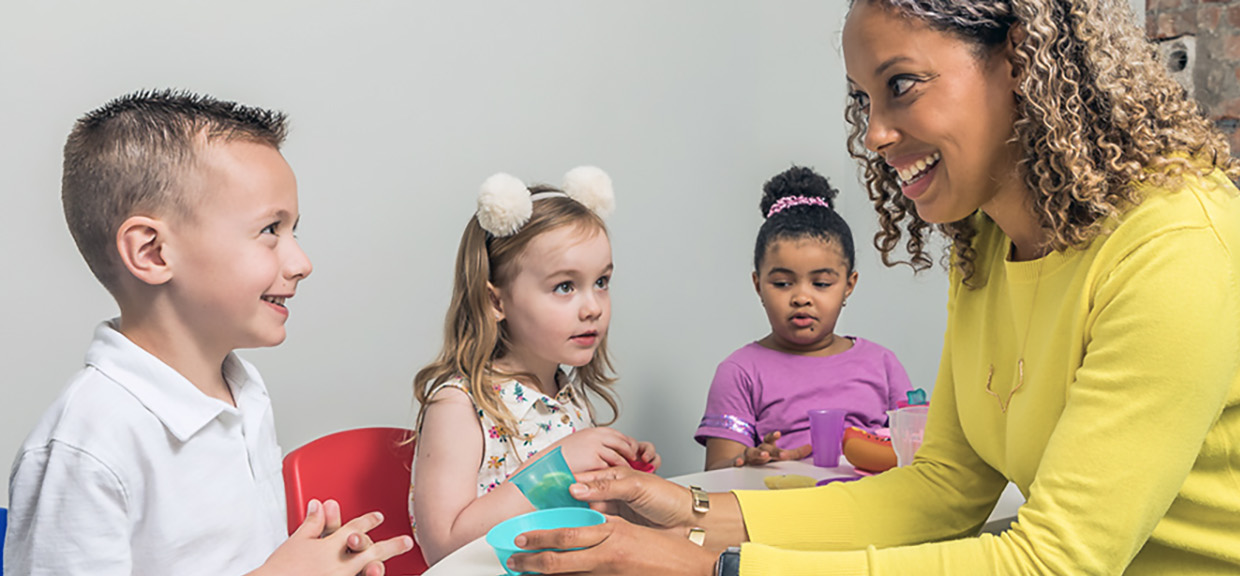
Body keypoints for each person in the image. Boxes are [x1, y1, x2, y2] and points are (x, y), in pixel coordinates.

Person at [501, 0, 1240, 574]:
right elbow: (941, 492)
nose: (878, 134)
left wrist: (711, 565)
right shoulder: (987, 245)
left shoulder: (1172, 242)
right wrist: (694, 510)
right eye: (863, 102)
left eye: (901, 87)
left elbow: (1053, 563)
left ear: (1019, 60)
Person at [4, 90, 412, 576]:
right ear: (152, 252)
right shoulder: (88, 445)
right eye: (269, 230)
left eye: (294, 231)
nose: (301, 263)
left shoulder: (244, 391)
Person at [408, 168, 660, 564]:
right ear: (496, 302)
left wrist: (621, 480)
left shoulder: (566, 395)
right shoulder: (459, 406)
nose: (593, 306)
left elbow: (580, 519)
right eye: (565, 286)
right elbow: (443, 546)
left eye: (602, 282)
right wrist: (557, 466)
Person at [696, 166, 912, 470]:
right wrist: (746, 462)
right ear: (758, 285)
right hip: (781, 510)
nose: (801, 297)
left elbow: (914, 453)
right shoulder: (739, 372)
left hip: (872, 511)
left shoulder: (883, 365)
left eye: (821, 283)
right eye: (783, 283)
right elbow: (717, 472)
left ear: (849, 285)